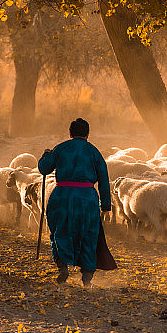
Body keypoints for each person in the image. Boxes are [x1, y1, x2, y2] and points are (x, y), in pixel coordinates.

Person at [38, 118, 111, 286]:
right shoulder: (94, 152)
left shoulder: (61, 148)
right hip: (87, 198)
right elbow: (104, 179)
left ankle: (62, 267)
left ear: (70, 133)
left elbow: (43, 169)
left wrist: (46, 155)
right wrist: (106, 204)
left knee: (59, 231)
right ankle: (86, 279)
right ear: (87, 134)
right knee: (88, 234)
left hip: (61, 196)